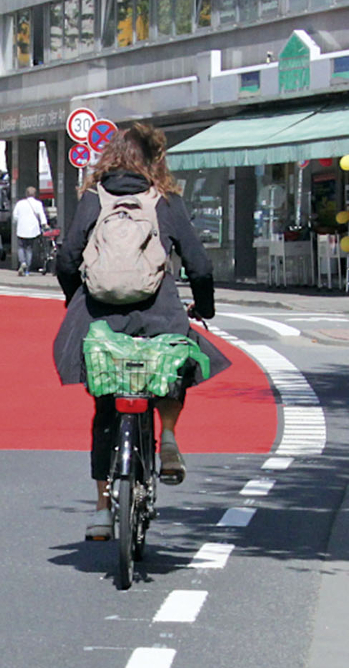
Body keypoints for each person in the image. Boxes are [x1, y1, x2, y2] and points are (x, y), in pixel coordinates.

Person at [52, 123, 230, 541]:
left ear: (111, 156)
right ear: (155, 160)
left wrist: (75, 299)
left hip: (100, 316)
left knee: (105, 407)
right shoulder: (164, 199)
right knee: (175, 362)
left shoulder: (94, 198)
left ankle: (101, 510)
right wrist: (203, 308)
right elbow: (199, 265)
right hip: (158, 311)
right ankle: (167, 437)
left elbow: (66, 259)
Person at [13, 186, 48, 276]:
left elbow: (15, 216)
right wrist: (44, 224)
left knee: (21, 247)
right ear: (35, 194)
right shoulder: (38, 203)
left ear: (26, 194)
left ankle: (23, 262)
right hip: (33, 230)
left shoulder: (20, 203)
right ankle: (27, 269)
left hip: (21, 229)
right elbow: (42, 215)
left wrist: (19, 221)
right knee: (29, 249)